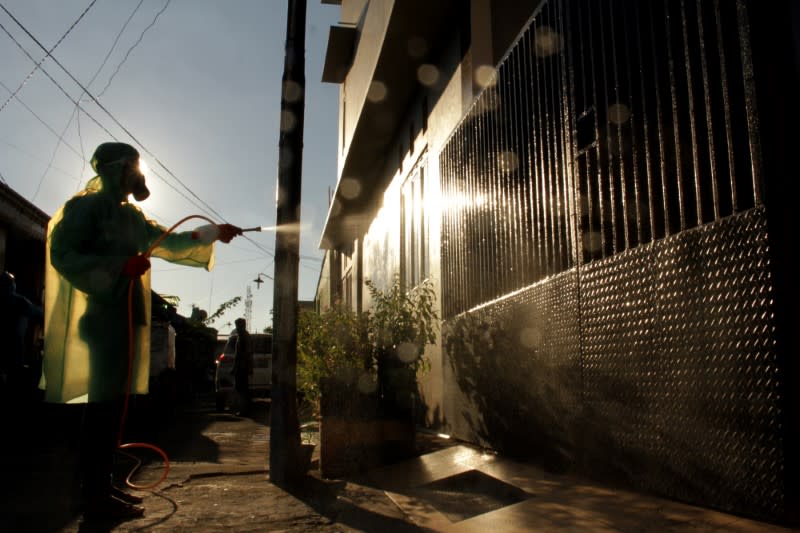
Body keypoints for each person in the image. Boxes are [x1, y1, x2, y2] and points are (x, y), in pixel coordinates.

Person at [41, 142, 242, 522]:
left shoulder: (131, 218)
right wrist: (120, 266)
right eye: (132, 166)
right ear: (115, 170)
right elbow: (63, 255)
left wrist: (215, 231)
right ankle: (93, 495)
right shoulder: (84, 208)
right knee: (101, 410)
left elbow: (173, 241)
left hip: (125, 320)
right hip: (102, 320)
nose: (137, 173)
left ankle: (103, 487)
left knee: (114, 409)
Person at [0, 271, 43, 394]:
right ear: (12, 285)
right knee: (13, 383)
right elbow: (40, 315)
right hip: (14, 350)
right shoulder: (20, 302)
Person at [231, 317, 253, 416]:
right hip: (241, 366)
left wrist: (245, 366)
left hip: (242, 367)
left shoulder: (244, 336)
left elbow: (245, 354)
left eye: (238, 325)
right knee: (241, 388)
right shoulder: (241, 336)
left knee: (241, 389)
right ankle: (242, 408)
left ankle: (244, 409)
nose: (237, 327)